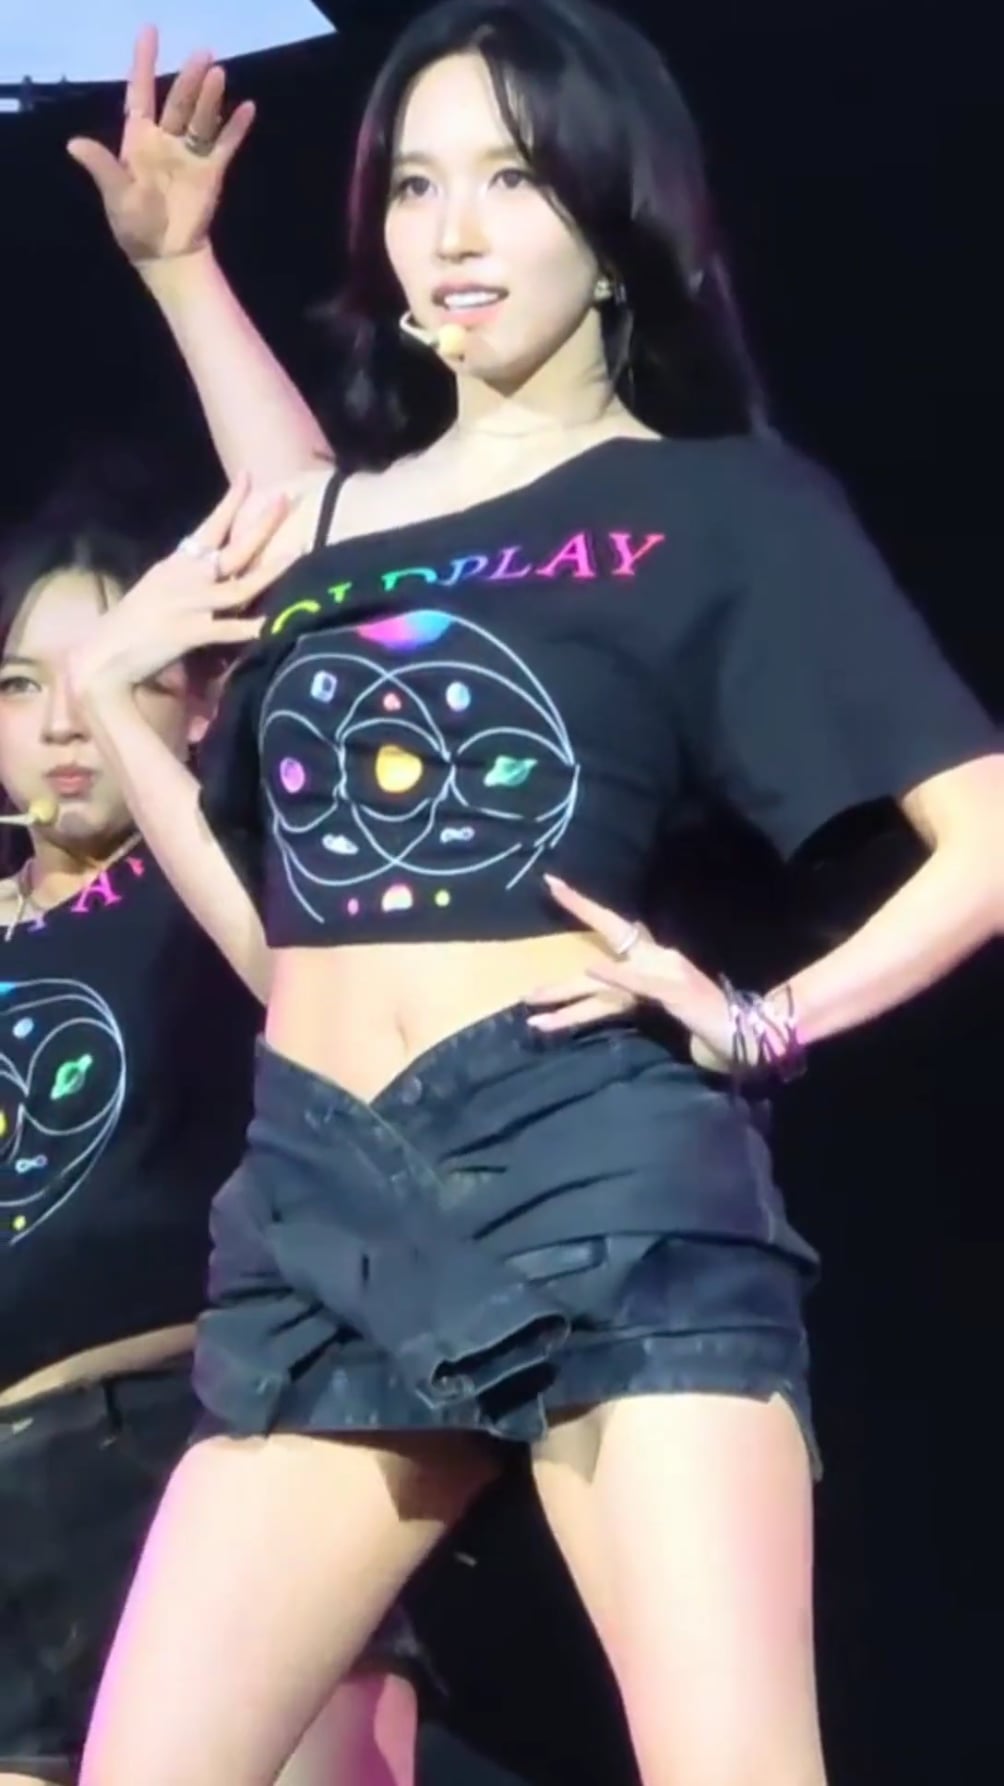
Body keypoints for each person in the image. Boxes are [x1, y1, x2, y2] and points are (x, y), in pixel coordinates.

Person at [69, 2, 1001, 1783]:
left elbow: (990, 833)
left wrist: (764, 1016)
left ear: (613, 209)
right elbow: (281, 937)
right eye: (416, 185)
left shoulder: (718, 505)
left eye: (511, 177)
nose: (456, 229)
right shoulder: (332, 529)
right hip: (322, 1191)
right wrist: (181, 275)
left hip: (593, 1172)